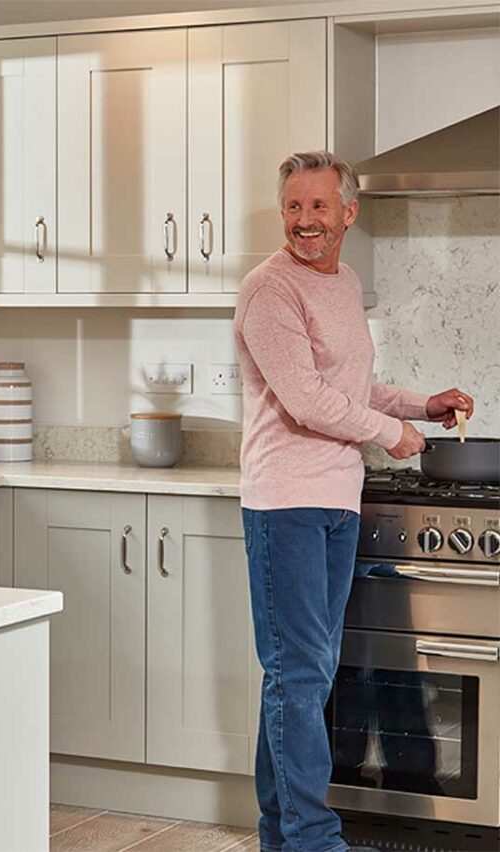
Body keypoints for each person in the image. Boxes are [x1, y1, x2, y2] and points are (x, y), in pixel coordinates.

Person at [234, 150, 473, 852]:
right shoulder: (269, 289)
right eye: (293, 207)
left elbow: (352, 384)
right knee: (299, 674)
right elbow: (308, 401)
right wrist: (388, 434)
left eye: (317, 207)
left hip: (337, 499)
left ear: (348, 211)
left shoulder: (342, 282)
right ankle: (312, 838)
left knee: (300, 673)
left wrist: (421, 406)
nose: (304, 222)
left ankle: (283, 833)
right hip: (286, 501)